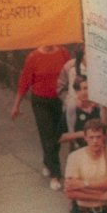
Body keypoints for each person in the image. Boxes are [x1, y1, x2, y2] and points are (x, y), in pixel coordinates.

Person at [10, 45, 70, 191]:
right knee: (48, 134)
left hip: (59, 100)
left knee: (58, 135)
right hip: (40, 101)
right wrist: (16, 105)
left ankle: (47, 161)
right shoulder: (33, 57)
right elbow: (25, 81)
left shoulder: (63, 53)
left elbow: (70, 75)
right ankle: (55, 175)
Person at [58, 75, 107, 149]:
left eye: (86, 88)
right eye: (79, 89)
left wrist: (97, 133)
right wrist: (82, 134)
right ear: (76, 92)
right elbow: (60, 137)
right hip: (79, 150)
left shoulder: (101, 108)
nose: (83, 92)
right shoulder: (72, 109)